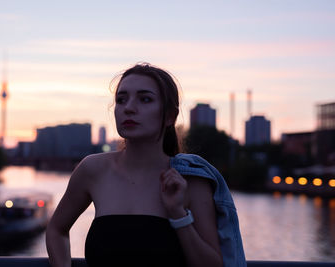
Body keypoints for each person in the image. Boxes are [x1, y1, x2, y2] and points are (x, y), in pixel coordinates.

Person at [46, 63, 246, 267]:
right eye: (121, 100)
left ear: (170, 116)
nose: (129, 108)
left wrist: (178, 214)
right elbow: (56, 230)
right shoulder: (93, 170)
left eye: (145, 99)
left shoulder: (188, 180)